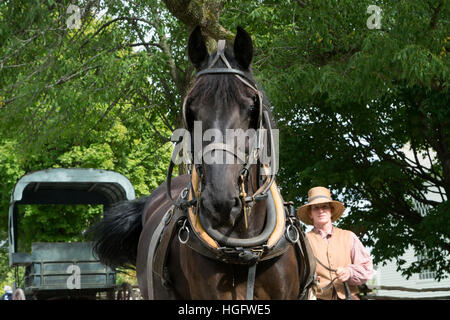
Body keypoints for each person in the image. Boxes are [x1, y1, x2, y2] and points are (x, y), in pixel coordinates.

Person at [297, 186, 374, 300]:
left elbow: (366, 268)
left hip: (348, 296)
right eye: (316, 208)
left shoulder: (349, 236)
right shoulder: (303, 241)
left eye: (324, 207)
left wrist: (349, 273)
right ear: (310, 214)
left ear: (331, 211)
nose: (321, 210)